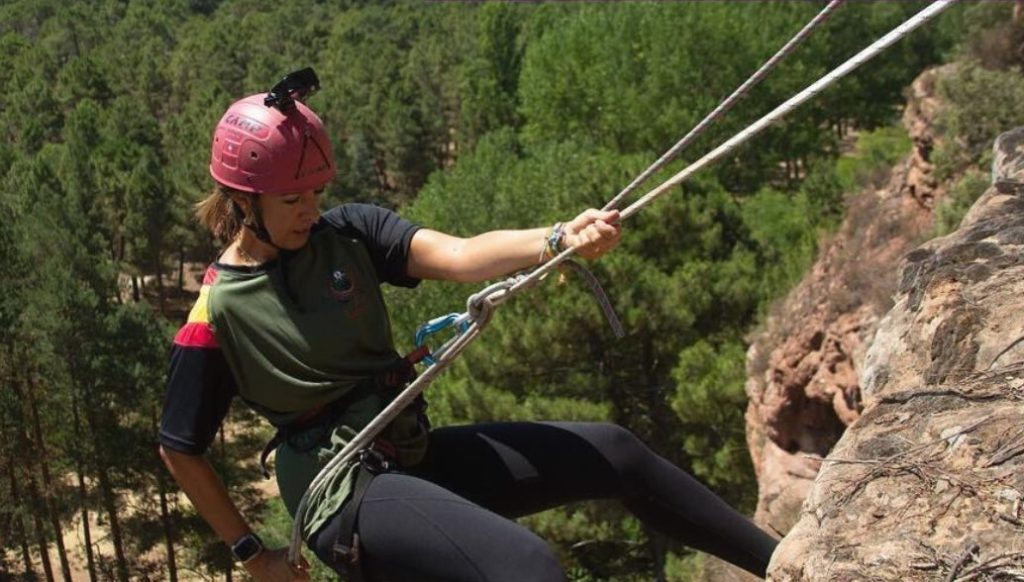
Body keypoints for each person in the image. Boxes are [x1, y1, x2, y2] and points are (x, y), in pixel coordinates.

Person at [158, 69, 778, 582]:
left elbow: (458, 254)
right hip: (338, 491)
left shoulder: (347, 234)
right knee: (530, 568)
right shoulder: (216, 314)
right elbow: (180, 449)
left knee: (613, 451)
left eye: (317, 192)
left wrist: (559, 237)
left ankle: (783, 567)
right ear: (242, 201)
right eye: (294, 200)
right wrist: (251, 553)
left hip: (406, 452)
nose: (311, 210)